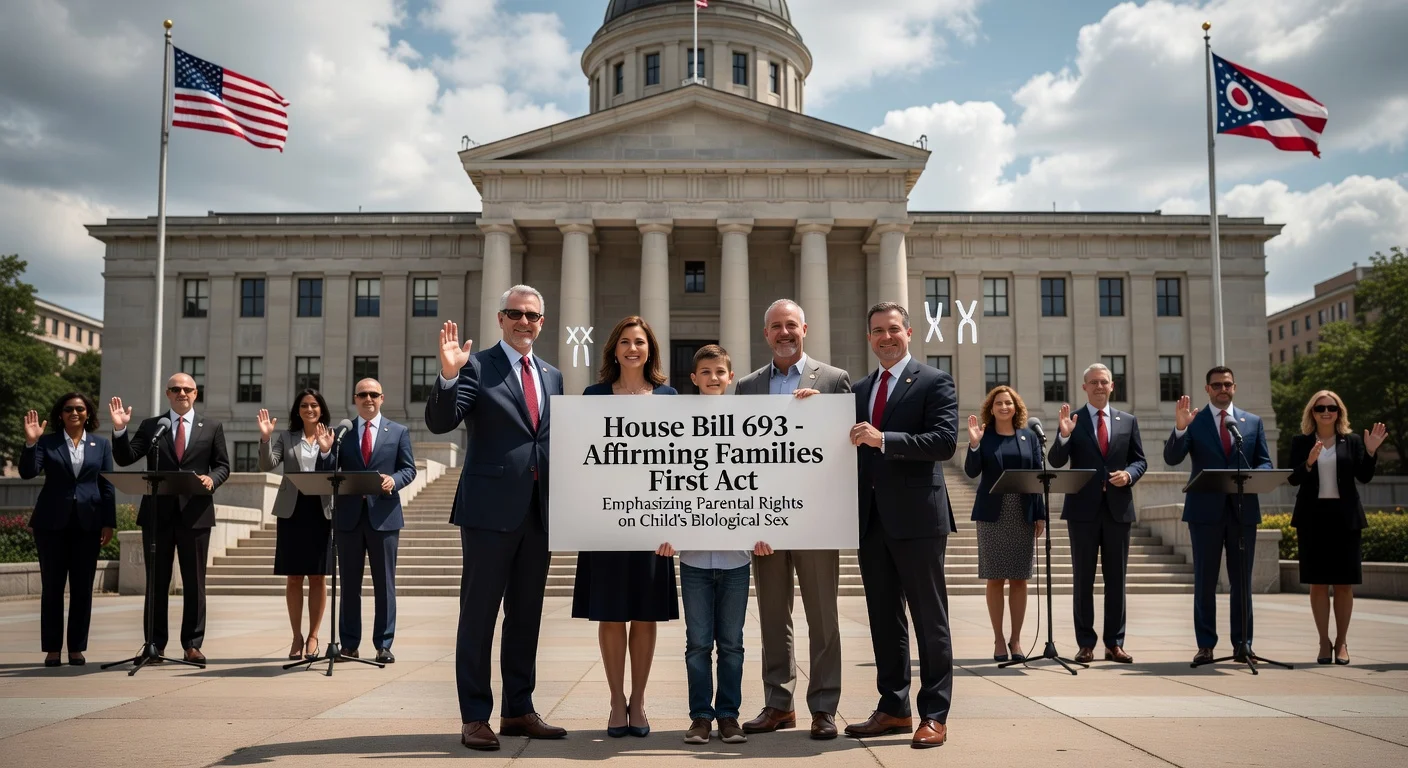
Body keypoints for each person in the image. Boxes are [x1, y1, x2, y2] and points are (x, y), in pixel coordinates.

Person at [427, 285, 567, 751]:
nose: (524, 322)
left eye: (532, 316)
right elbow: (441, 422)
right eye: (515, 313)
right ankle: (474, 716)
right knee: (479, 615)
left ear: (542, 322)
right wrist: (449, 375)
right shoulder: (476, 365)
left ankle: (518, 709)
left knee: (526, 616)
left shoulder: (552, 375)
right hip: (488, 511)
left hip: (538, 511)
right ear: (500, 319)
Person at [733, 299, 852, 740]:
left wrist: (823, 414)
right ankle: (778, 704)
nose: (784, 333)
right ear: (765, 333)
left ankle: (823, 707)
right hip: (765, 519)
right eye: (776, 327)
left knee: (823, 617)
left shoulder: (834, 380)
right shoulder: (747, 386)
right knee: (772, 615)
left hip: (815, 517)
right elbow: (739, 455)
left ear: (805, 329)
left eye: (791, 325)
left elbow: (845, 447)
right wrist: (749, 520)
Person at [846, 302, 957, 750]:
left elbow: (945, 442)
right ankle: (893, 707)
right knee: (884, 619)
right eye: (878, 331)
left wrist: (884, 439)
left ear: (909, 333)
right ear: (869, 337)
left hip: (919, 519)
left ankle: (934, 714)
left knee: (929, 619)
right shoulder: (859, 389)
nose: (886, 337)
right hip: (871, 520)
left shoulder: (933, 381)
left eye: (894, 329)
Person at [573, 315, 679, 738]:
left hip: (652, 522)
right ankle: (616, 700)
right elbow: (580, 457)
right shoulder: (593, 395)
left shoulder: (669, 397)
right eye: (624, 342)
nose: (632, 349)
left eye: (640, 342)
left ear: (650, 349)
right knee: (612, 613)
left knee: (645, 614)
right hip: (605, 521)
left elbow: (681, 463)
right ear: (613, 350)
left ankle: (639, 701)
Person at [658, 344, 750, 746]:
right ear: (693, 378)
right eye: (706, 372)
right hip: (693, 558)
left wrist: (767, 527)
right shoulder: (675, 422)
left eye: (720, 372)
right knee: (697, 644)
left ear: (730, 377)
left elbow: (765, 476)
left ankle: (728, 716)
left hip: (736, 558)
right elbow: (663, 478)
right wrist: (663, 531)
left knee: (731, 645)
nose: (713, 378)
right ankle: (700, 717)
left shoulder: (750, 421)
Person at [110, 374, 230, 664]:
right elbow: (126, 458)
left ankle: (192, 645)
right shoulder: (153, 426)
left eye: (187, 389)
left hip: (196, 515)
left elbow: (223, 466)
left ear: (196, 393)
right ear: (167, 393)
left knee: (194, 583)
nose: (181, 393)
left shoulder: (211, 427)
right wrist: (120, 430)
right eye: (176, 389)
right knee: (156, 582)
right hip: (157, 515)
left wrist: (212, 479)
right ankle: (154, 645)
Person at [1163, 366, 1273, 665]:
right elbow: (1172, 458)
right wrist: (1180, 428)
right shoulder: (1195, 421)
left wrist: (1253, 474)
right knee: (1205, 581)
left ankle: (1243, 644)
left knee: (1242, 582)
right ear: (1207, 389)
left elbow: (1264, 462)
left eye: (1227, 384)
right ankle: (1206, 645)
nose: (1222, 389)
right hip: (1204, 513)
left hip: (1242, 512)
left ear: (1234, 387)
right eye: (1216, 385)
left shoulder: (1252, 422)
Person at [1049, 363, 1147, 664]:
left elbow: (1139, 461)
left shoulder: (1128, 421)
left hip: (1118, 511)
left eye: (1104, 381)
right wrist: (1064, 436)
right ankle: (1086, 644)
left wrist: (1129, 475)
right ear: (1084, 387)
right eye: (1093, 382)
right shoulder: (1073, 420)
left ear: (1112, 386)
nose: (1099, 386)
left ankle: (1114, 643)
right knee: (1083, 580)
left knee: (1117, 581)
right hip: (1082, 511)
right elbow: (1055, 461)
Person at [1287, 390, 1387, 666]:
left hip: (1345, 519)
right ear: (1312, 412)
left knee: (1344, 584)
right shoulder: (1301, 442)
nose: (1326, 412)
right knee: (1318, 584)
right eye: (1320, 408)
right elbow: (1293, 478)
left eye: (1331, 408)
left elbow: (1364, 476)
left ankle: (1341, 641)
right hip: (1312, 518)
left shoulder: (1352, 441)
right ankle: (1323, 641)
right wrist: (1309, 462)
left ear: (1339, 412)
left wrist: (1370, 451)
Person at [20, 393, 115, 667]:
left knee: (82, 588)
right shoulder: (47, 442)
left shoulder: (101, 445)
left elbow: (107, 485)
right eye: (68, 409)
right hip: (51, 524)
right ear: (60, 414)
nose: (74, 412)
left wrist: (108, 522)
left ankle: (76, 648)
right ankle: (52, 648)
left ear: (88, 413)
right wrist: (31, 442)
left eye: (80, 408)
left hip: (89, 523)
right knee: (52, 587)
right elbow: (28, 472)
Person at [333, 378, 416, 665]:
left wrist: (394, 480)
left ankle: (383, 644)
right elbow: (329, 470)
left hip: (384, 517)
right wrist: (325, 450)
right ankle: (349, 645)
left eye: (373, 394)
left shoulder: (399, 432)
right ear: (354, 399)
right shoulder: (342, 433)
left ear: (382, 398)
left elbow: (409, 469)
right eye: (362, 395)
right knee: (349, 586)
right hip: (349, 519)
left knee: (385, 585)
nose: (368, 399)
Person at [963, 385, 1045, 663]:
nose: (1004, 407)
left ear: (1016, 407)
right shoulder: (984, 436)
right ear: (991, 408)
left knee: (1020, 579)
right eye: (998, 403)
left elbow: (1038, 476)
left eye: (1008, 402)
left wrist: (1040, 514)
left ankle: (1016, 639)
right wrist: (974, 445)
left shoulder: (1028, 437)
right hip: (993, 514)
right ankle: (999, 638)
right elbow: (972, 471)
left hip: (1022, 511)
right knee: (995, 578)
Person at [257, 390, 336, 661]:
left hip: (321, 511)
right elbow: (267, 464)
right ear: (297, 410)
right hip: (293, 511)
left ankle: (313, 636)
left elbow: (336, 469)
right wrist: (265, 438)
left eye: (314, 405)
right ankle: (296, 637)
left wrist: (326, 450)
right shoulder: (287, 437)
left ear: (321, 409)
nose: (309, 409)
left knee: (318, 576)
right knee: (293, 577)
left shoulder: (332, 435)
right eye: (304, 405)